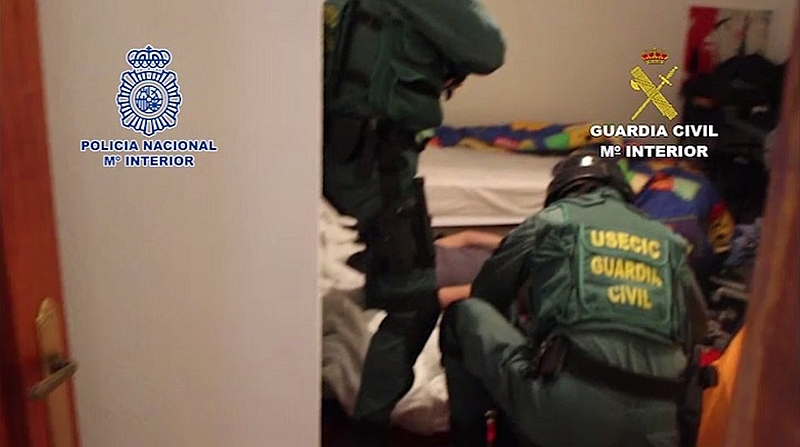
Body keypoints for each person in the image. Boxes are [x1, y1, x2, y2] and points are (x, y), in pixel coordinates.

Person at [322, 0, 506, 442]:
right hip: (376, 164)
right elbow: (489, 49)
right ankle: (367, 429)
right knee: (414, 302)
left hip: (343, 152)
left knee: (398, 270)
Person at [439, 149, 709, 447]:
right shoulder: (668, 240)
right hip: (659, 430)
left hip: (568, 418)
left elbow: (487, 295)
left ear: (560, 191)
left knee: (463, 316)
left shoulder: (552, 220)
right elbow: (699, 329)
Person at [435, 230, 504, 308]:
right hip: (499, 282)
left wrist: (507, 243)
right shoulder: (425, 286)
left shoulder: (433, 247)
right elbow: (442, 297)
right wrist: (495, 286)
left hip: (500, 254)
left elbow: (467, 238)